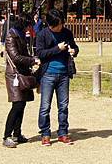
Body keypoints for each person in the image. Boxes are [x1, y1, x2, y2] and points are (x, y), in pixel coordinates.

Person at [36, 9, 79, 146]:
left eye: (62, 23)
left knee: (63, 105)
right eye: (58, 24)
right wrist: (57, 48)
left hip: (64, 74)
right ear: (51, 24)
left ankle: (63, 133)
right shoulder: (42, 34)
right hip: (48, 73)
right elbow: (40, 53)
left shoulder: (67, 33)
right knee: (45, 106)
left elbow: (75, 46)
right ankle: (45, 133)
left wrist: (74, 50)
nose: (61, 26)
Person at [3, 12, 40, 148]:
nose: (29, 29)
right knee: (17, 105)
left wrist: (32, 58)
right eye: (28, 25)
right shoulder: (11, 35)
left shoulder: (21, 34)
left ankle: (17, 134)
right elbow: (16, 57)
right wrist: (32, 60)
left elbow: (23, 54)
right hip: (14, 75)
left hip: (22, 73)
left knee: (22, 104)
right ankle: (6, 135)